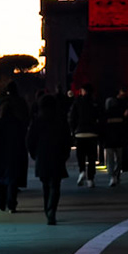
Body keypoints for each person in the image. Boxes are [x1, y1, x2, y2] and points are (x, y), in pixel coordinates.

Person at [28, 90, 72, 224]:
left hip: (42, 156)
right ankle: (52, 209)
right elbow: (67, 139)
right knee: (55, 185)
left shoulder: (37, 121)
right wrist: (65, 154)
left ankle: (47, 209)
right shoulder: (60, 120)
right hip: (57, 155)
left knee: (45, 185)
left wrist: (33, 153)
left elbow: (30, 140)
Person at [0, 89, 29, 213]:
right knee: (12, 180)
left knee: (1, 180)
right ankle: (12, 203)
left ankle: (2, 201)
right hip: (14, 155)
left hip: (0, 156)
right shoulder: (18, 124)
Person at [67, 86, 101, 186]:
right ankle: (90, 178)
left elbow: (72, 118)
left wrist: (73, 131)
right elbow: (100, 117)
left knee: (81, 155)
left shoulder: (77, 102)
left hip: (80, 132)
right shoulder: (95, 103)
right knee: (91, 157)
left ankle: (82, 171)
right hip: (92, 133)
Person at [101, 88, 128, 187]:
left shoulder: (105, 115)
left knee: (110, 161)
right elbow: (126, 127)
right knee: (119, 160)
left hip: (109, 140)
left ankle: (112, 176)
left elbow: (102, 128)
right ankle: (116, 174)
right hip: (119, 140)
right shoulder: (122, 114)